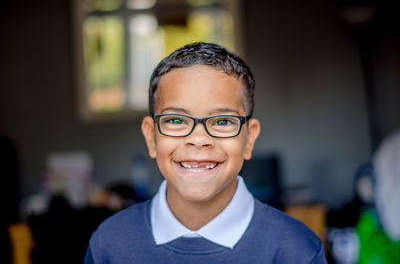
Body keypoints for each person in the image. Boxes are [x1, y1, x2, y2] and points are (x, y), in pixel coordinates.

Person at [84, 42, 327, 263]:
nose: (199, 139)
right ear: (151, 136)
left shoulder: (297, 250)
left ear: (249, 138)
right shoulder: (108, 244)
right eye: (176, 119)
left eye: (222, 121)